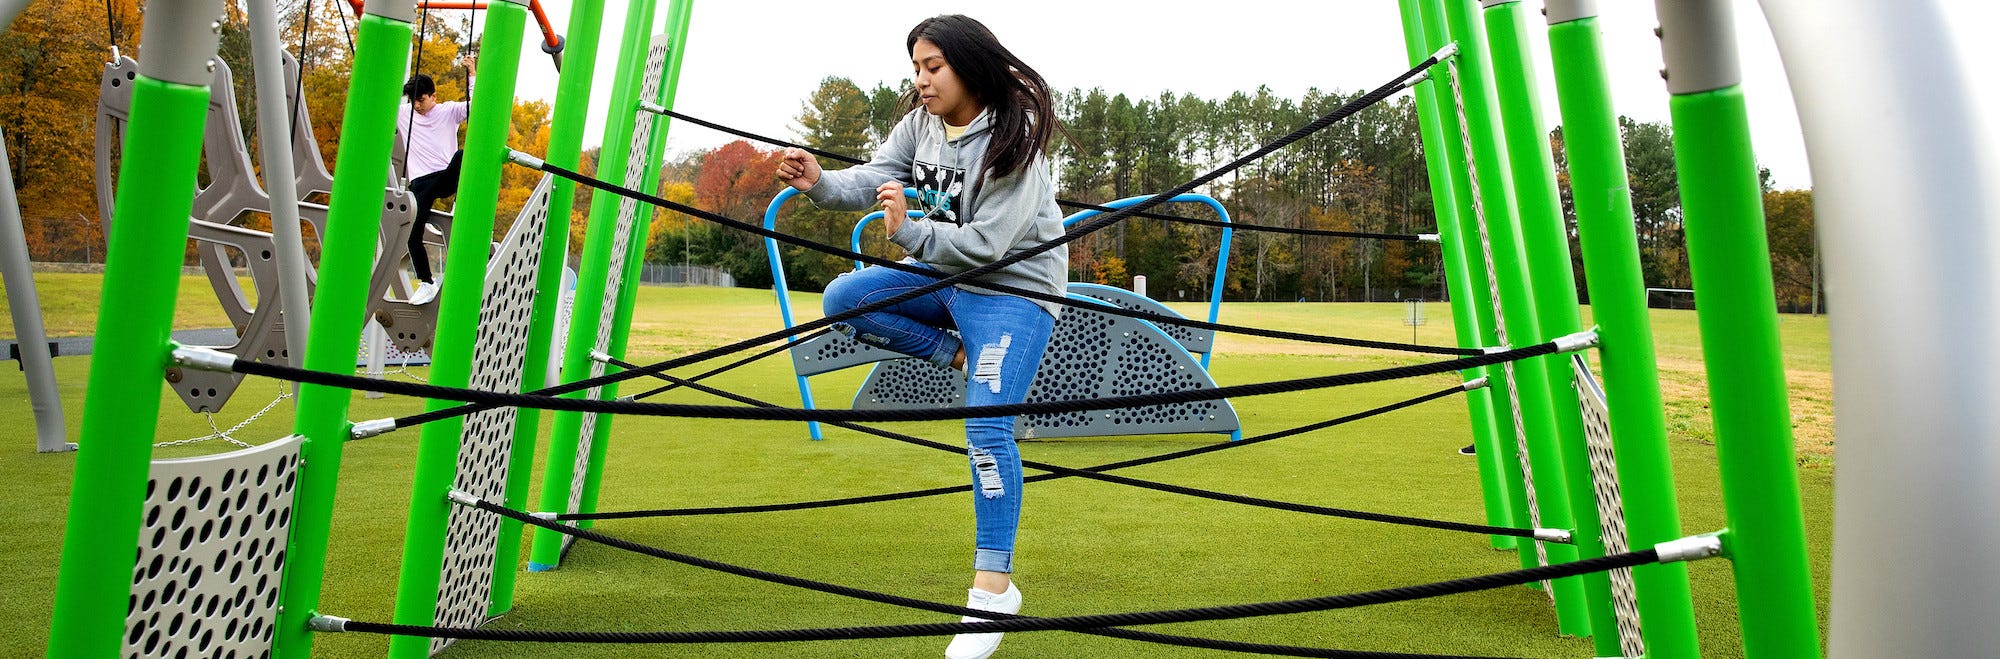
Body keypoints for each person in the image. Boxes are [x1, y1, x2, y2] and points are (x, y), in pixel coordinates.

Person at [777, 15, 1065, 659]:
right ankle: (956, 354)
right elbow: (874, 176)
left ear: (969, 66)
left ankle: (993, 592)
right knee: (846, 296)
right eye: (916, 67)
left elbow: (988, 245)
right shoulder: (920, 125)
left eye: (933, 67)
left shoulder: (1015, 147)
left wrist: (907, 232)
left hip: (1012, 292)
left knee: (987, 427)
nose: (922, 80)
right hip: (942, 276)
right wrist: (819, 182)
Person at [395, 58, 474, 305]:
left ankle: (461, 202)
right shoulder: (404, 113)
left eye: (422, 99)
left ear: (434, 96)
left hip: (444, 176)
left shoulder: (448, 111)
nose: (417, 105)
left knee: (462, 155)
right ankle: (426, 283)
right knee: (411, 233)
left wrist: (471, 74)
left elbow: (477, 107)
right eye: (413, 100)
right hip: (420, 182)